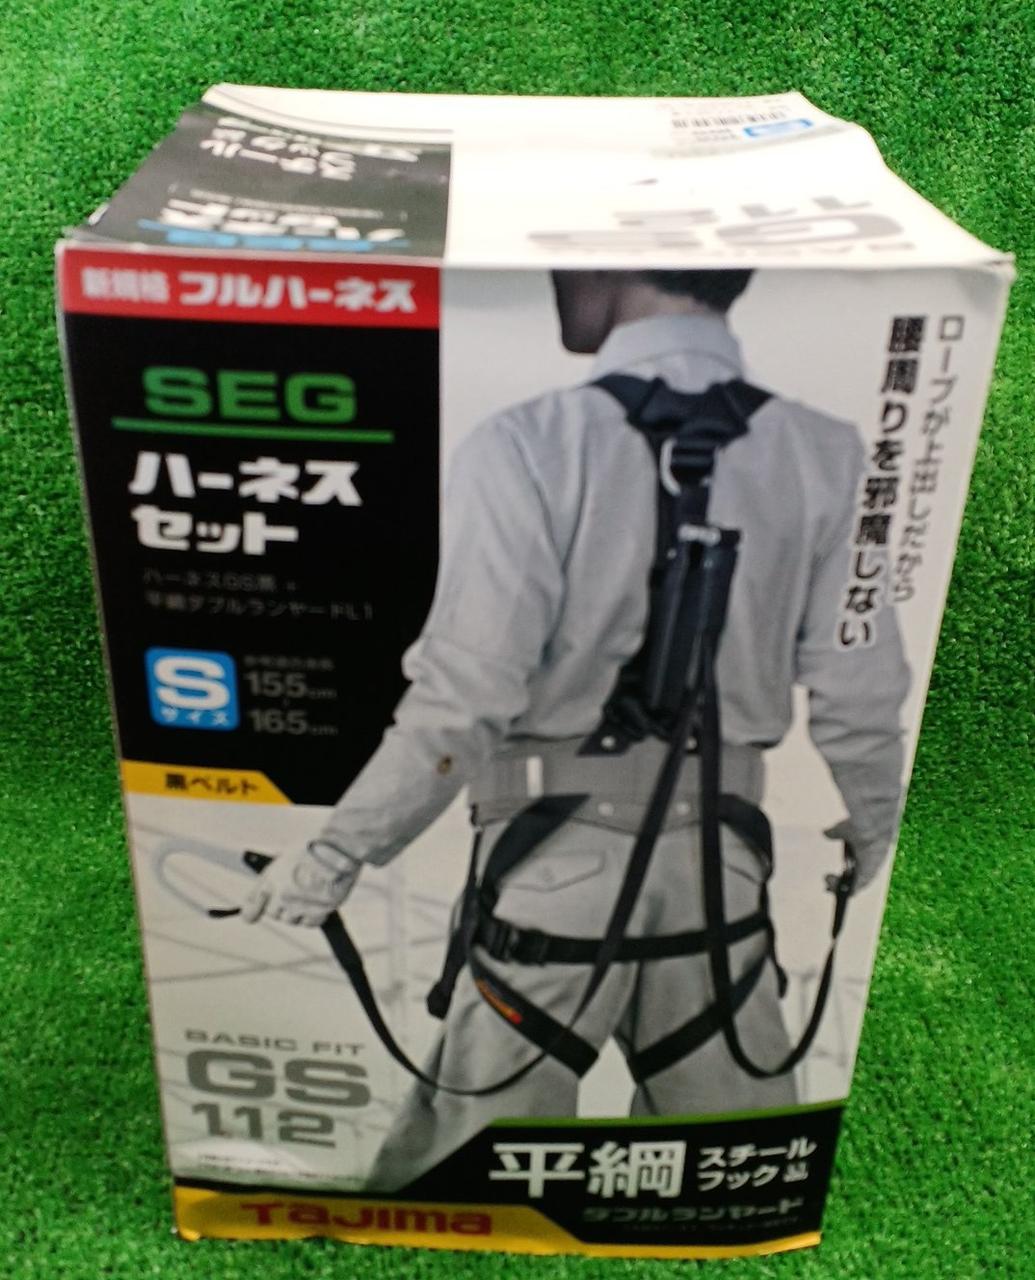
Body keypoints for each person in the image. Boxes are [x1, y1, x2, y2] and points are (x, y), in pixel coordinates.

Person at [240, 269, 910, 1190]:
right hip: (721, 872)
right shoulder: (826, 453)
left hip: (549, 868)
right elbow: (859, 688)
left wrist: (332, 857)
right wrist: (873, 822)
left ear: (607, 269)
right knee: (726, 1177)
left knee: (465, 1184)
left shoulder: (525, 441)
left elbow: (464, 696)